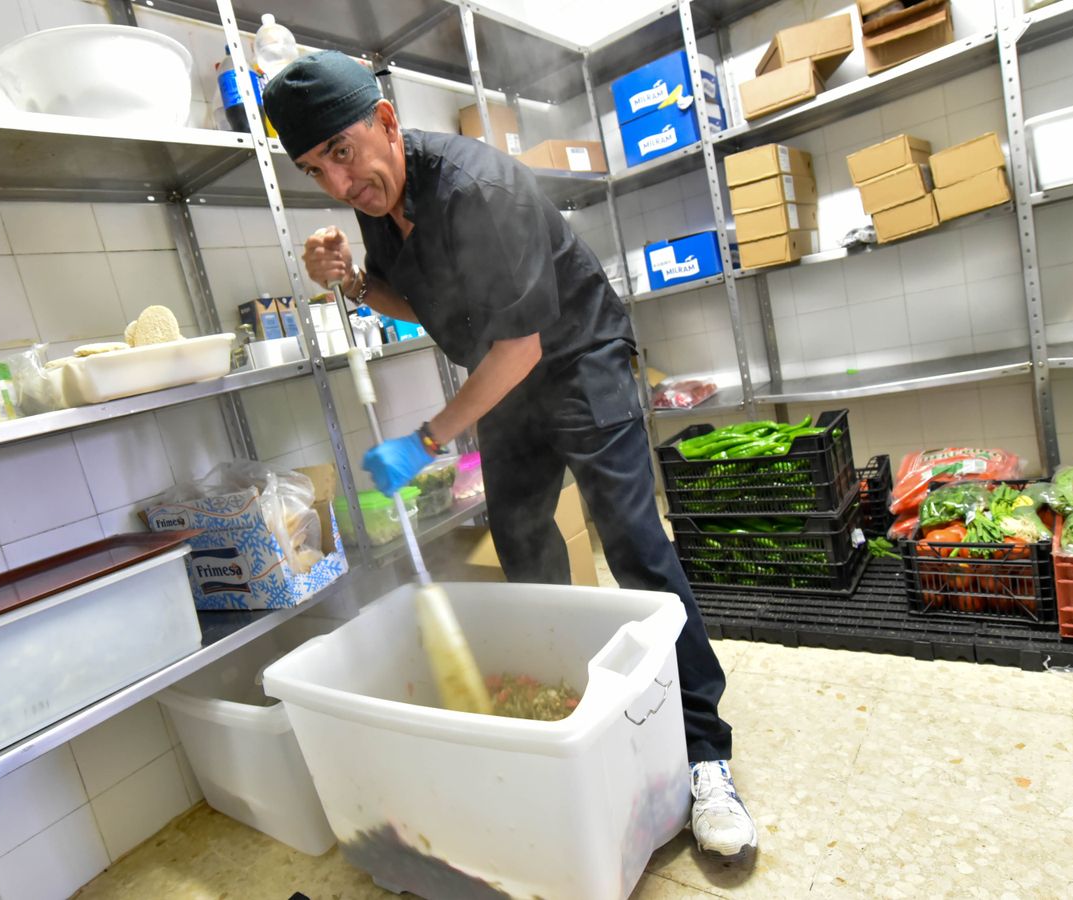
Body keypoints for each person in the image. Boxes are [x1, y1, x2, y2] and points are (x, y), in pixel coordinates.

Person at [263, 51, 757, 865]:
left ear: (386, 121)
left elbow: (521, 347)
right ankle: (564, 730)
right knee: (526, 547)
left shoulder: (476, 187)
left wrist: (426, 440)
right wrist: (351, 282)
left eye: (343, 153)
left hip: (576, 361)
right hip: (506, 380)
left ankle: (706, 755)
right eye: (316, 169)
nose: (340, 183)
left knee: (635, 546)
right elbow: (416, 302)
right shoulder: (377, 203)